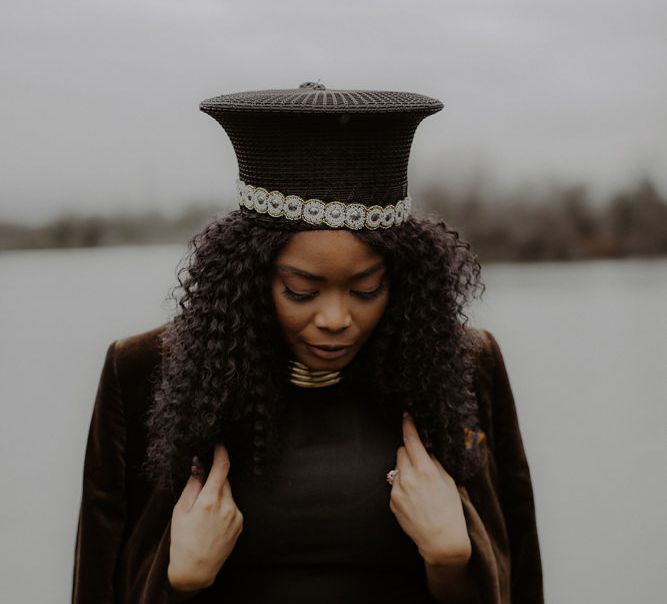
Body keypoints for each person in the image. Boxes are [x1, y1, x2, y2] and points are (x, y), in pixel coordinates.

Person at [71, 82, 543, 604]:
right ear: (251, 279)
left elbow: (522, 580)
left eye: (367, 289)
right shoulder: (141, 373)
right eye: (301, 291)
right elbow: (96, 585)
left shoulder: (464, 367)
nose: (336, 318)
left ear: (404, 280)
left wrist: (451, 561)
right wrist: (181, 582)